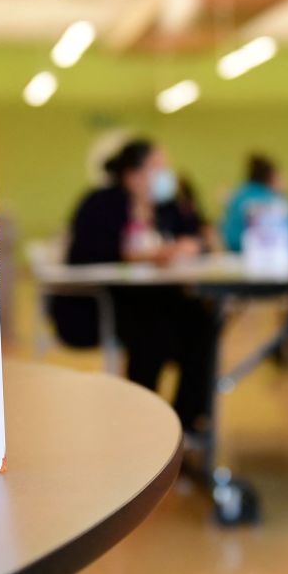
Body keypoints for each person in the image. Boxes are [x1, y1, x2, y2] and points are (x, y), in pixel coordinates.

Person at [54, 139, 213, 434]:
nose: (167, 173)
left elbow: (198, 236)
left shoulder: (167, 207)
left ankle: (185, 424)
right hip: (108, 301)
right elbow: (82, 254)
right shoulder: (101, 203)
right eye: (158, 167)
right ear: (132, 175)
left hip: (160, 296)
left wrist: (192, 245)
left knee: (203, 323)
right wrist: (136, 254)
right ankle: (143, 425)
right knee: (154, 333)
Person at [221, 153, 288, 252]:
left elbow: (228, 233)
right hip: (272, 255)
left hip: (238, 253)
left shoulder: (239, 195)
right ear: (272, 176)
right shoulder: (276, 200)